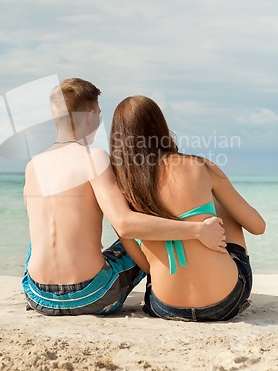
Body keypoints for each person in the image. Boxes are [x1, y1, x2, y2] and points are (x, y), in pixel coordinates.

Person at [22, 79, 226, 316]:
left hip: (38, 296)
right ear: (90, 117)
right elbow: (125, 224)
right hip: (90, 296)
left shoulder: (33, 165)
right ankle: (169, 287)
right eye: (99, 114)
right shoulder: (94, 158)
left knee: (38, 238)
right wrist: (197, 231)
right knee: (141, 237)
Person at [110, 95, 266, 322]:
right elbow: (258, 226)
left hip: (165, 307)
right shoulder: (200, 166)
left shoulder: (121, 189)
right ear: (160, 127)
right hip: (224, 302)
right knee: (223, 203)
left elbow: (145, 265)